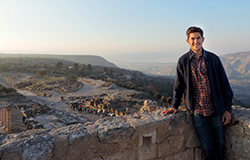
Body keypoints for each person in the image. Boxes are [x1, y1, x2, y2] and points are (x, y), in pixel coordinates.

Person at [161, 26, 233, 160]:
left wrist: (227, 109)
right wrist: (174, 106)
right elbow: (179, 86)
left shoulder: (213, 59)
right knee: (207, 147)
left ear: (203, 39)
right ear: (187, 41)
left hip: (217, 110)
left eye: (198, 38)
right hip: (198, 112)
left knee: (220, 144)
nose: (196, 42)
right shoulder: (183, 61)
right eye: (192, 39)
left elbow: (225, 85)